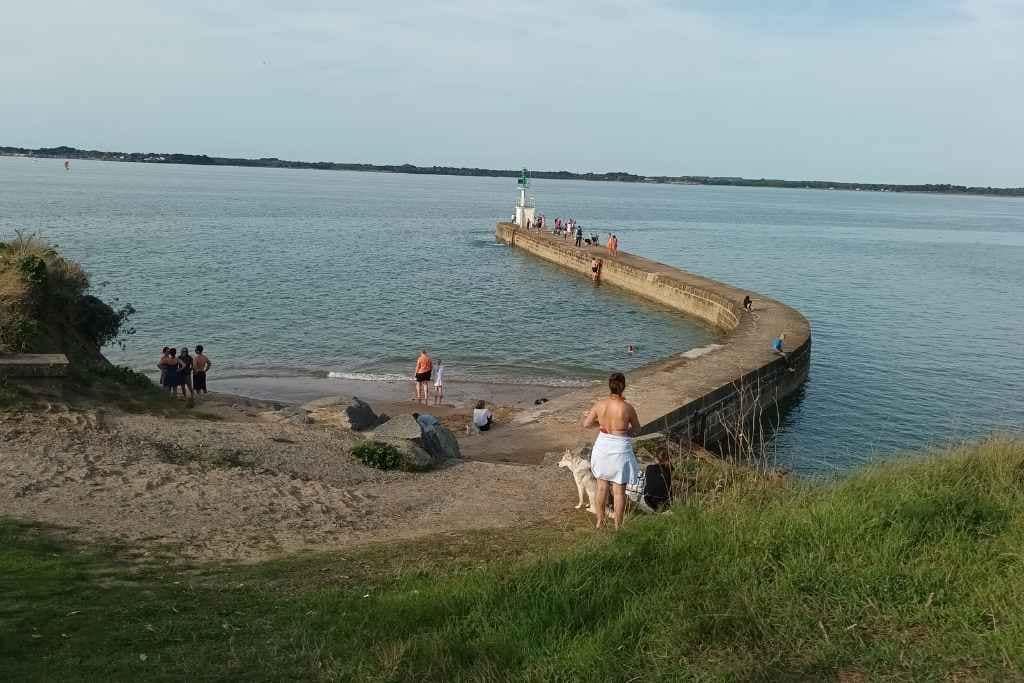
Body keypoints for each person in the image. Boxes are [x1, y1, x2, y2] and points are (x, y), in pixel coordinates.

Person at [582, 372, 641, 530]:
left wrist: (600, 424)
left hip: (602, 446)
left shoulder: (599, 405)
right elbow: (636, 429)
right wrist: (624, 430)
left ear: (610, 386)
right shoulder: (627, 408)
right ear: (623, 386)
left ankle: (600, 522)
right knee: (619, 491)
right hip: (619, 449)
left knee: (601, 487)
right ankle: (618, 526)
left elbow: (586, 424)